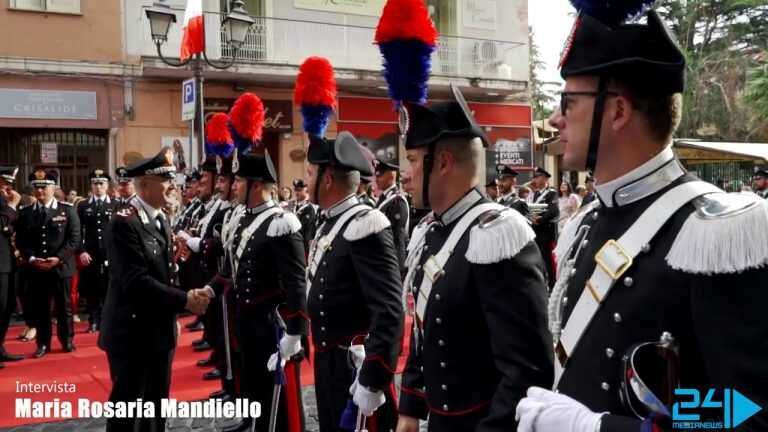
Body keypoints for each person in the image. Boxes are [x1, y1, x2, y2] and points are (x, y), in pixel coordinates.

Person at [515, 3, 768, 431]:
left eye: (568, 102)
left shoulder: (716, 234)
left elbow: (746, 411)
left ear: (617, 111)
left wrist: (599, 427)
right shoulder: (588, 222)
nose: (556, 119)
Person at [396, 85, 553, 432]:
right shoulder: (431, 230)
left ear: (443, 162)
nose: (404, 173)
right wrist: (410, 406)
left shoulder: (497, 235)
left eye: (412, 160)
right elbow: (425, 332)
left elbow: (527, 372)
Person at [99, 148, 210, 432]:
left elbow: (165, 275)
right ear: (145, 185)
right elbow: (136, 282)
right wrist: (185, 300)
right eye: (166, 180)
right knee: (129, 411)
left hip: (159, 330)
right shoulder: (124, 222)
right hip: (132, 333)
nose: (173, 186)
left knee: (157, 405)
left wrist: (173, 314)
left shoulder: (159, 217)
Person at [305, 132, 403, 432]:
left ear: (327, 179)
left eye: (310, 173)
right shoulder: (331, 221)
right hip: (329, 361)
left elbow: (389, 311)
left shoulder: (365, 225)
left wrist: (373, 378)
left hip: (354, 366)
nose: (306, 181)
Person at [204, 150, 308, 432]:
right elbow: (231, 269)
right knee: (255, 389)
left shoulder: (282, 223)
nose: (234, 186)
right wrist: (209, 291)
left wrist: (295, 333)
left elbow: (297, 283)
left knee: (280, 403)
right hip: (248, 323)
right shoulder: (243, 219)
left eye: (239, 181)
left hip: (272, 327)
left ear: (257, 185)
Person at [16, 168, 80, 358]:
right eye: (36, 188)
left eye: (44, 187)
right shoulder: (26, 212)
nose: (40, 191)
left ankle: (67, 340)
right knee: (41, 308)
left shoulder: (67, 210)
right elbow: (21, 241)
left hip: (61, 267)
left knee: (64, 307)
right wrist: (31, 258)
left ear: (53, 188)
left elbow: (74, 239)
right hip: (37, 269)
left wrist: (58, 258)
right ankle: (43, 343)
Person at [76, 169, 116, 333]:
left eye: (101, 183)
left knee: (109, 287)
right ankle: (93, 320)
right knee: (92, 288)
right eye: (95, 183)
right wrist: (82, 251)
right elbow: (78, 231)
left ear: (107, 185)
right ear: (91, 186)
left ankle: (107, 320)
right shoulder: (83, 205)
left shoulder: (115, 204)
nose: (98, 186)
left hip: (110, 253)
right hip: (90, 253)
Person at [0, 165, 23, 366]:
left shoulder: (3, 200)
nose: (8, 188)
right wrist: (13, 206)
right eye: (4, 183)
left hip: (7, 261)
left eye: (10, 184)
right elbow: (2, 224)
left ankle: (0, 348)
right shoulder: (7, 203)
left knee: (7, 307)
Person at [375, 158, 410, 275]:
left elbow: (397, 239)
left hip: (392, 264)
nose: (376, 179)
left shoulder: (397, 201)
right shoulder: (383, 199)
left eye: (379, 175)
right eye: (376, 176)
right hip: (382, 259)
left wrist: (395, 268)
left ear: (391, 176)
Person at [529, 167, 558, 288]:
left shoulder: (552, 193)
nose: (535, 179)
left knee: (549, 261)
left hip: (547, 234)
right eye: (534, 177)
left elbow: (553, 211)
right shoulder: (535, 194)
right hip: (536, 233)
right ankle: (542, 283)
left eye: (538, 177)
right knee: (538, 260)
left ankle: (552, 285)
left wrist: (539, 220)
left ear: (545, 179)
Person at [290, 179, 318, 254]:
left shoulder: (311, 206)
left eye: (299, 190)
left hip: (305, 246)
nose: (296, 193)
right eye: (295, 190)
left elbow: (309, 229)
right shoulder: (292, 205)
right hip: (293, 244)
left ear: (306, 190)